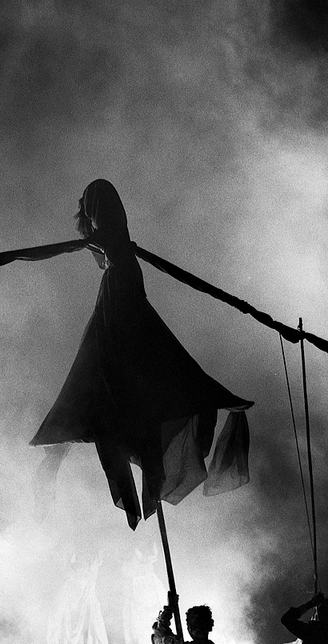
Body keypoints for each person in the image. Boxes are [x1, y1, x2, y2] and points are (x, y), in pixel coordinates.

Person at [31, 179, 252, 530]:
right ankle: (94, 441)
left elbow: (109, 247)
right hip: (119, 297)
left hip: (121, 300)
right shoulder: (113, 238)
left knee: (108, 375)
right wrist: (98, 242)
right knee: (100, 379)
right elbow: (105, 247)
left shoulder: (113, 237)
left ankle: (105, 437)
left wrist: (100, 242)